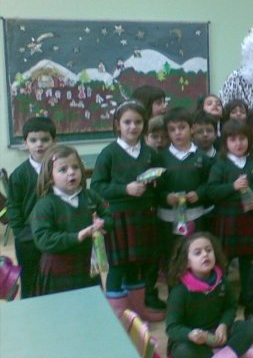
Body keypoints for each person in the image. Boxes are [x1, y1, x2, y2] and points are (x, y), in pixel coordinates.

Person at [90, 100, 164, 321]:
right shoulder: (109, 153)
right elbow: (96, 187)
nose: (133, 127)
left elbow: (158, 183)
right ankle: (118, 318)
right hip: (118, 218)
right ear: (117, 124)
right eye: (127, 122)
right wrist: (125, 189)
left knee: (137, 265)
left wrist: (155, 184)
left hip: (144, 216)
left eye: (138, 122)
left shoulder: (150, 153)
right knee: (118, 267)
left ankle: (137, 314)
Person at [31, 145, 113, 295]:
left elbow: (109, 217)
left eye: (75, 167)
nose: (71, 172)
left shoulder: (90, 196)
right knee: (61, 307)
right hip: (58, 269)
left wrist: (103, 222)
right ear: (50, 177)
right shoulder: (45, 205)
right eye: (63, 170)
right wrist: (77, 236)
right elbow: (43, 239)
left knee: (89, 304)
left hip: (86, 265)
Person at [208, 120, 253, 304]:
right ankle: (220, 297)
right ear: (225, 142)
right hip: (228, 219)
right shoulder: (220, 165)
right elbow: (211, 192)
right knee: (223, 260)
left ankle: (248, 295)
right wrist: (232, 187)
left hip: (251, 219)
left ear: (249, 140)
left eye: (243, 138)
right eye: (233, 139)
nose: (238, 143)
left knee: (249, 260)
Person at [166, 232, 253, 358]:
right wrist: (190, 334)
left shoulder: (222, 281)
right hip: (194, 341)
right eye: (198, 253)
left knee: (250, 327)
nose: (205, 254)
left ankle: (225, 354)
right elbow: (172, 327)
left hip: (218, 333)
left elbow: (230, 307)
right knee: (183, 351)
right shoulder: (179, 292)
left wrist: (223, 325)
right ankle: (233, 351)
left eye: (208, 250)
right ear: (187, 263)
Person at [157, 107, 214, 267]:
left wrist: (199, 193)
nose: (178, 133)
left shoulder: (202, 157)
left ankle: (194, 282)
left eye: (182, 127)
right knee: (172, 257)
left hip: (195, 216)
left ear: (192, 128)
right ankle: (173, 283)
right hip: (168, 218)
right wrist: (166, 197)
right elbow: (155, 189)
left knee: (195, 254)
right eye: (172, 129)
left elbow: (210, 184)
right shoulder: (160, 158)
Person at [7, 116, 57, 298]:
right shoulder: (19, 175)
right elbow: (13, 206)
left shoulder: (61, 170)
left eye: (45, 139)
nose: (39, 144)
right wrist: (20, 232)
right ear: (25, 143)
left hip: (55, 234)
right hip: (28, 238)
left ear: (54, 141)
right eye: (33, 140)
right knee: (30, 279)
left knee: (54, 277)